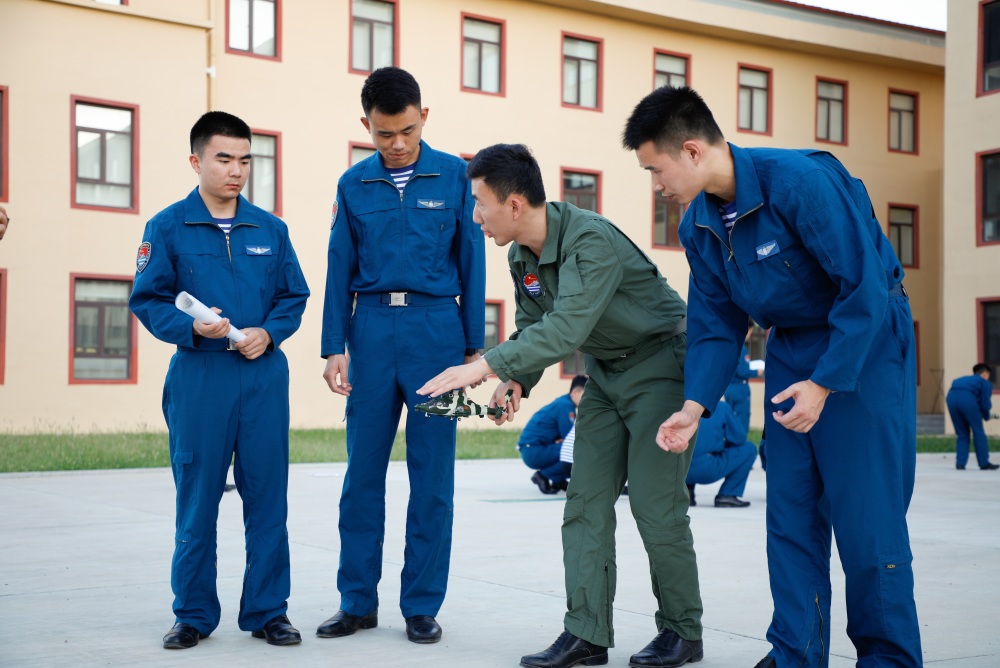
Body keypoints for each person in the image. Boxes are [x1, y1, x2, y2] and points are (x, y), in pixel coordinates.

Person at [623, 86, 922, 667]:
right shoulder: (698, 226)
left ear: (690, 151)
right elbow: (713, 323)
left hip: (864, 341)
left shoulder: (799, 182)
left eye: (654, 169)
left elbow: (863, 288)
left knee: (867, 518)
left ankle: (887, 657)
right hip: (791, 350)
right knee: (790, 512)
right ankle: (795, 652)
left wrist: (826, 382)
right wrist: (695, 406)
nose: (655, 184)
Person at [418, 144, 703, 668]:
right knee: (584, 502)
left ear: (515, 203)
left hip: (661, 364)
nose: (474, 215)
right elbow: (535, 322)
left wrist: (485, 367)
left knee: (653, 504)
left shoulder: (589, 239)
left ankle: (683, 630)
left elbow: (568, 324)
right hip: (604, 372)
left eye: (479, 203)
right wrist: (518, 379)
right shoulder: (519, 254)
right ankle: (587, 634)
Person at [129, 111, 309, 650]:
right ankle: (193, 613)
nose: (237, 170)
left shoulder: (270, 229)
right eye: (224, 158)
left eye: (245, 159)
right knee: (198, 499)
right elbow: (147, 298)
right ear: (197, 161)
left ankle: (268, 611)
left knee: (267, 498)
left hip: (261, 380)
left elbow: (293, 297)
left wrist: (269, 334)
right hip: (199, 379)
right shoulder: (167, 227)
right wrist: (192, 328)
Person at [318, 66, 485, 645]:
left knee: (432, 474)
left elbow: (472, 260)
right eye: (383, 133)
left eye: (407, 131)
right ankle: (357, 602)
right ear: (365, 124)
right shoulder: (352, 185)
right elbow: (338, 265)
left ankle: (420, 605)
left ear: (424, 118)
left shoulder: (457, 176)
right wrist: (333, 345)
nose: (396, 144)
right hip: (369, 335)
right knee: (362, 472)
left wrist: (471, 348)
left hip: (437, 336)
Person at [519, 374, 587, 494]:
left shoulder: (564, 403)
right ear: (575, 392)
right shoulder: (565, 406)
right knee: (578, 449)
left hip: (533, 449)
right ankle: (543, 475)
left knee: (573, 448)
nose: (588, 400)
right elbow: (571, 438)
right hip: (533, 452)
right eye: (586, 395)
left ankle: (558, 480)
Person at [685, 401, 757, 508]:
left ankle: (686, 493)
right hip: (707, 470)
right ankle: (727, 495)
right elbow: (739, 438)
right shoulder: (720, 406)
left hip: (680, 470)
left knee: (690, 451)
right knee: (749, 449)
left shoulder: (678, 405)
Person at [946, 363, 998, 470]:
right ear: (984, 374)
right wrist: (987, 416)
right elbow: (985, 404)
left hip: (951, 399)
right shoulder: (985, 383)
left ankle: (960, 463)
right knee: (978, 432)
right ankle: (984, 463)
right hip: (967, 400)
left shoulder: (961, 379)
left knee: (962, 433)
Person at [723, 327, 760, 439]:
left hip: (729, 387)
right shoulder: (741, 349)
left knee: (731, 419)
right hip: (740, 387)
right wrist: (757, 372)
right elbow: (743, 371)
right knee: (742, 418)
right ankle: (740, 446)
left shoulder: (728, 347)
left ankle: (729, 443)